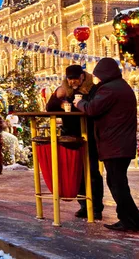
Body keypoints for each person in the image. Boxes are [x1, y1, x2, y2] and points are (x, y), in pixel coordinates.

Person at [74, 58, 139, 232]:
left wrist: (79, 103)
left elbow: (92, 109)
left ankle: (134, 220)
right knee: (118, 182)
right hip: (120, 143)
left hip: (115, 143)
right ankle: (130, 219)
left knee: (117, 183)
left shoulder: (109, 89)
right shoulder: (121, 86)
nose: (97, 78)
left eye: (99, 75)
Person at [47, 65, 104, 220]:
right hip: (70, 136)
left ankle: (96, 207)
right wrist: (56, 97)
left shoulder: (92, 89)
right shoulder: (65, 90)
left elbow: (95, 109)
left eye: (75, 79)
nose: (73, 82)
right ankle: (84, 205)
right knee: (77, 172)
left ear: (82, 77)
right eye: (70, 79)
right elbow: (49, 108)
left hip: (89, 136)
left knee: (92, 171)